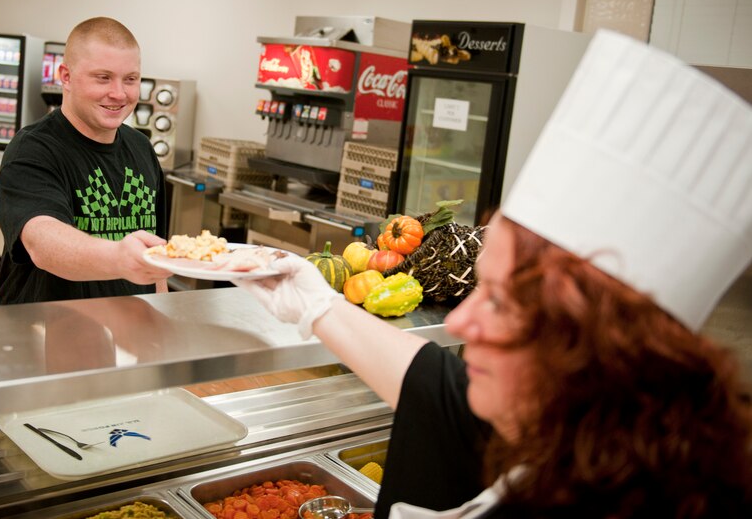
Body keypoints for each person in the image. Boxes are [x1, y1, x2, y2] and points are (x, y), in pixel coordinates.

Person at [235, 30, 752, 519]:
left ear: (597, 348)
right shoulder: (565, 432)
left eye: (501, 302)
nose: (460, 325)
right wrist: (316, 304)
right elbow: (435, 383)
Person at [0, 17, 172, 305]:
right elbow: (43, 242)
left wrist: (161, 313)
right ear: (66, 76)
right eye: (103, 77)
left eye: (130, 79)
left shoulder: (141, 148)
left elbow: (156, 254)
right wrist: (119, 257)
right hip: (43, 335)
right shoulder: (33, 149)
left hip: (125, 338)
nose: (119, 93)